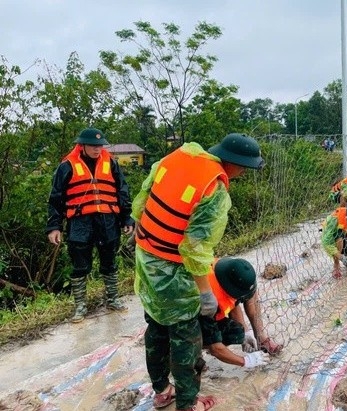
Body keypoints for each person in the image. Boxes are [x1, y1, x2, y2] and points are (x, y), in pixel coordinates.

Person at [132, 133, 264, 411]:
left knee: (156, 328)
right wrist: (205, 292)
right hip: (172, 269)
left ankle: (161, 390)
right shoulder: (214, 192)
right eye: (244, 167)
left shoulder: (182, 154)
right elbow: (194, 247)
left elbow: (144, 192)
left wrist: (137, 220)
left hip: (146, 257)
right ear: (235, 164)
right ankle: (188, 402)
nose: (242, 173)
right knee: (186, 341)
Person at [46, 128, 134, 323]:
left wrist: (127, 218)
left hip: (107, 220)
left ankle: (112, 299)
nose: (97, 149)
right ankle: (80, 307)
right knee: (80, 265)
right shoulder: (67, 166)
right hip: (79, 222)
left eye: (100, 145)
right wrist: (54, 227)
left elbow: (122, 190)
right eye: (93, 146)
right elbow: (55, 199)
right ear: (82, 145)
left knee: (109, 262)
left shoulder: (110, 163)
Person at [198, 258, 282, 371]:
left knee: (238, 330)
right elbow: (215, 347)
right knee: (225, 336)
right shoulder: (207, 303)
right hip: (192, 318)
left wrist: (247, 333)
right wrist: (246, 361)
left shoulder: (227, 269)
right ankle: (195, 354)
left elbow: (235, 302)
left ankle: (261, 338)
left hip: (218, 298)